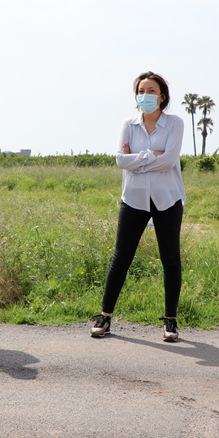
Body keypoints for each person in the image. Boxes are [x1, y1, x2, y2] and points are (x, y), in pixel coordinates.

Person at [90, 71, 186, 342]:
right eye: (141, 90)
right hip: (134, 199)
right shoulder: (129, 124)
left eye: (151, 90)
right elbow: (121, 160)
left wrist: (138, 158)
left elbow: (169, 161)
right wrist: (150, 155)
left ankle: (170, 320)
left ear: (162, 96)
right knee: (121, 258)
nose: (145, 95)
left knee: (170, 259)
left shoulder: (175, 123)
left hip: (167, 199)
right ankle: (105, 317)